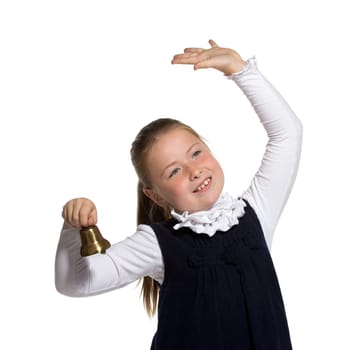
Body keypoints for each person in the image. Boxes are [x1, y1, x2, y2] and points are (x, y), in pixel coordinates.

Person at [55, 39, 303, 349]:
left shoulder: (256, 212)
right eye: (174, 171)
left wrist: (239, 70)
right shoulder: (156, 243)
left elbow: (287, 134)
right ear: (155, 196)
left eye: (196, 153)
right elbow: (76, 283)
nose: (194, 170)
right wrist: (73, 227)